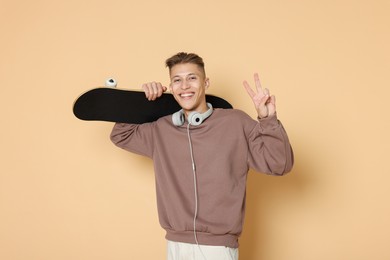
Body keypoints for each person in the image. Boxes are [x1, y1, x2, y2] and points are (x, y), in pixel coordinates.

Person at [110, 52, 294, 260]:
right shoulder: (161, 129)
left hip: (218, 250)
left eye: (192, 78)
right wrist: (144, 103)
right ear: (171, 87)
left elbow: (279, 164)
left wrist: (267, 119)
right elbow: (120, 135)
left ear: (206, 83)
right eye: (177, 80)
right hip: (176, 246)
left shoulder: (235, 123)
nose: (185, 86)